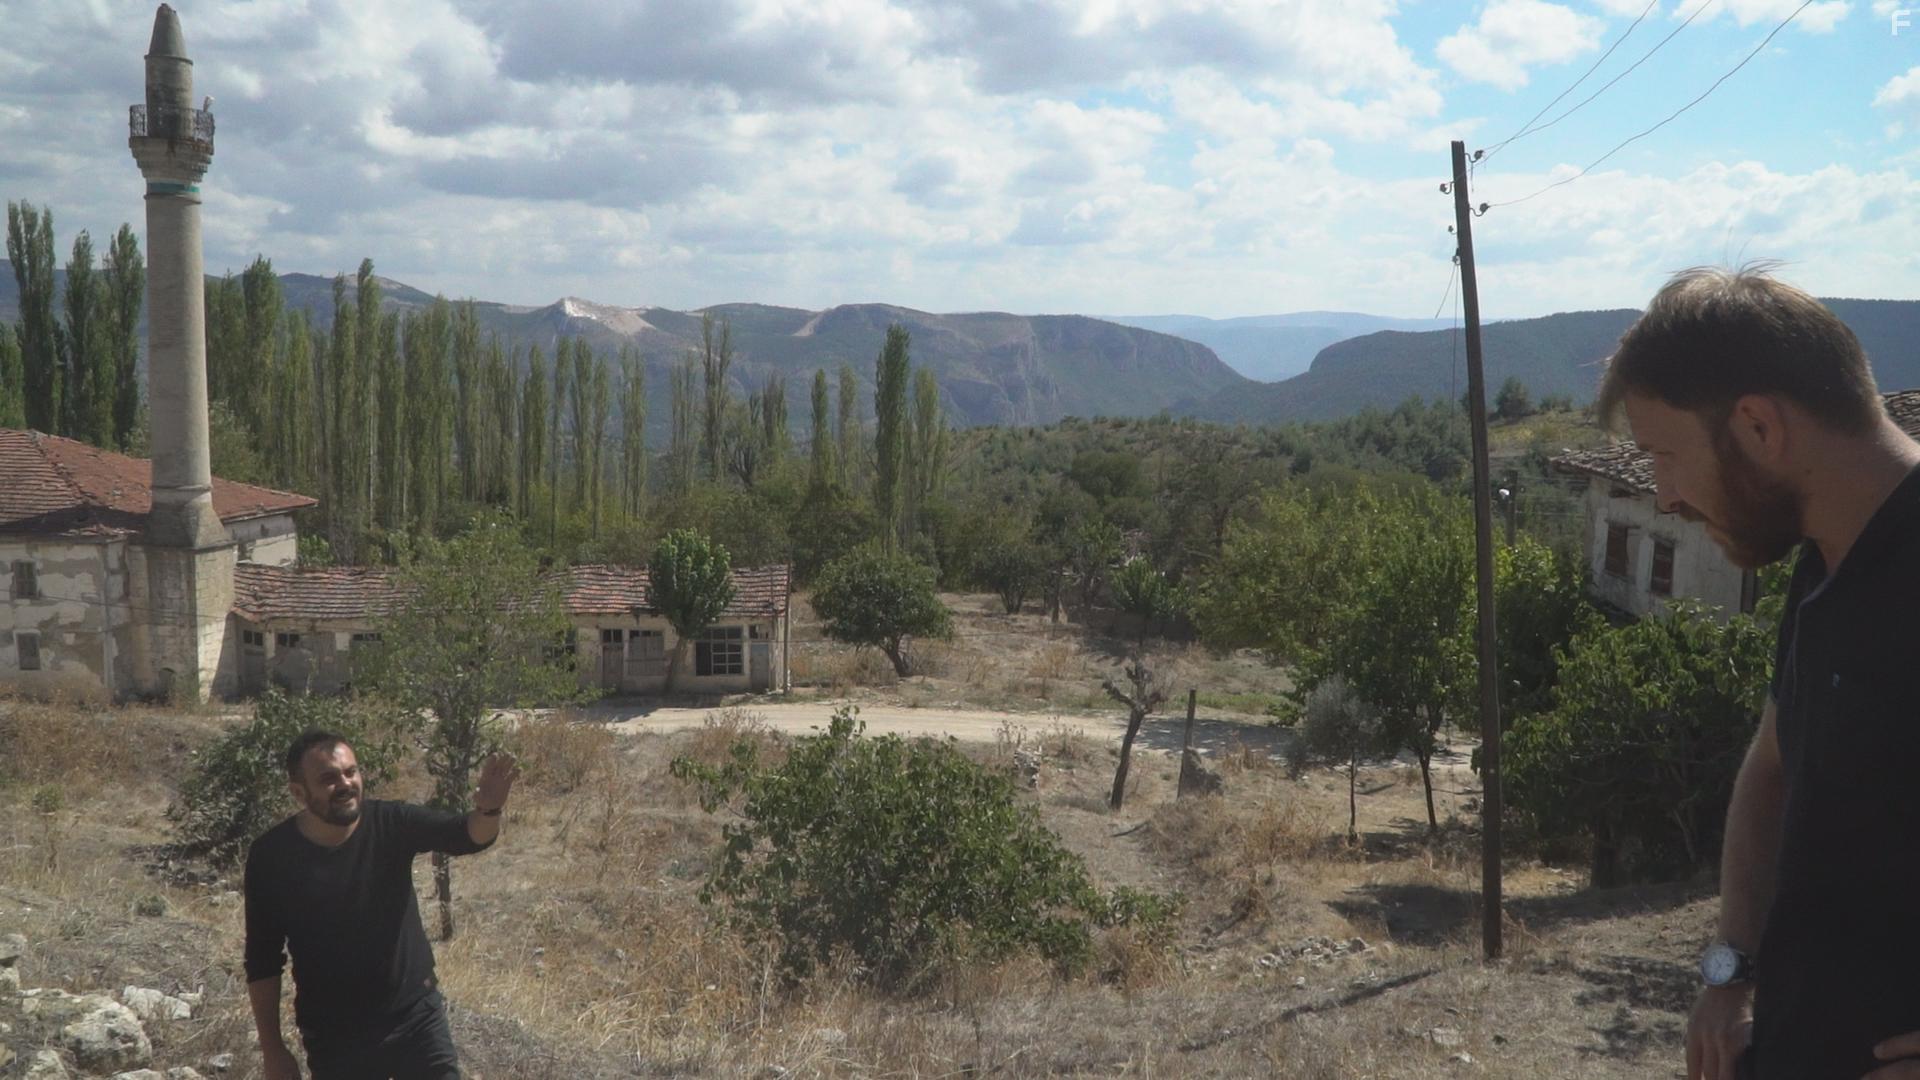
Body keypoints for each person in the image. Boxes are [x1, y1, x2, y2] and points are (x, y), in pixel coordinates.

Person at [1596, 265, 1920, 1080]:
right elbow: (1774, 767)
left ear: (1758, 427)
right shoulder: (1824, 562)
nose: (1663, 496)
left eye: (1665, 456)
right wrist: (1732, 965)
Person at [244, 730, 519, 1080]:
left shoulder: (391, 823)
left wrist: (489, 808)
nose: (345, 784)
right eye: (328, 778)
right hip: (335, 1037)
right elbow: (262, 960)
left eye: (351, 772)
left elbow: (466, 834)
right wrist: (274, 1051)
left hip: (416, 1018)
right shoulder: (272, 857)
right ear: (299, 792)